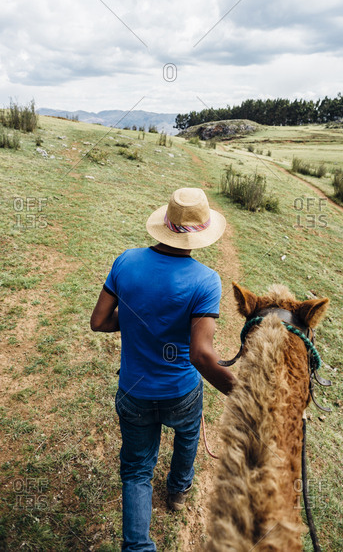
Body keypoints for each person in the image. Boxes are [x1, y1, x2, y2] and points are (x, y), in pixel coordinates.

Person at [90, 187, 236, 552]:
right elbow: (202, 356)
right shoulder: (206, 280)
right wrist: (244, 394)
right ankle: (178, 492)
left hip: (134, 390)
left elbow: (99, 321)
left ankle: (137, 547)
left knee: (137, 470)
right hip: (181, 391)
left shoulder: (125, 261)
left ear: (164, 224)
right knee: (187, 437)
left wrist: (140, 319)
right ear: (201, 234)